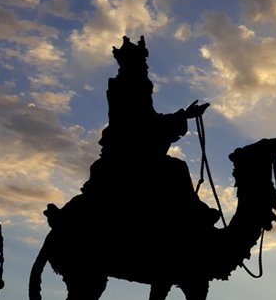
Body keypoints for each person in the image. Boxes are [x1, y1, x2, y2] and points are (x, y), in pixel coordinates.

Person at [81, 36, 218, 231]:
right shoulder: (127, 88)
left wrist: (183, 116)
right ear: (132, 63)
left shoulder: (131, 87)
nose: (145, 67)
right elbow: (142, 123)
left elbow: (149, 118)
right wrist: (184, 116)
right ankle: (194, 217)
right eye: (142, 63)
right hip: (128, 151)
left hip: (133, 147)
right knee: (175, 169)